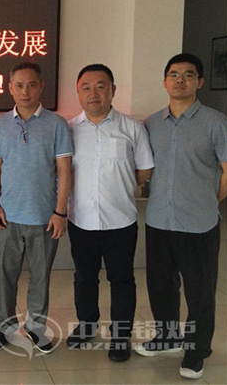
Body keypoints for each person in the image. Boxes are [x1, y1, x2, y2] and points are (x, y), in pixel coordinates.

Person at [136, 53, 227, 379]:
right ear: (165, 82)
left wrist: (208, 201)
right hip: (159, 220)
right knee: (161, 286)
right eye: (174, 74)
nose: (180, 80)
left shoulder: (216, 123)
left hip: (199, 223)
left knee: (200, 292)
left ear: (199, 82)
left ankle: (196, 350)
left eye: (188, 75)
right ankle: (167, 338)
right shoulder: (151, 124)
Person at [66, 64, 154, 362]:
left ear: (113, 90)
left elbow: (144, 170)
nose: (93, 93)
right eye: (86, 87)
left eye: (100, 86)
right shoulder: (69, 130)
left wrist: (120, 187)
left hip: (121, 220)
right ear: (78, 92)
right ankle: (86, 325)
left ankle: (120, 336)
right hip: (81, 220)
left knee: (122, 279)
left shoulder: (131, 127)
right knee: (84, 277)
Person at [0, 61, 72, 354]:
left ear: (41, 87)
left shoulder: (57, 124)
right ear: (10, 88)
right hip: (7, 216)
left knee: (40, 277)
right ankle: (5, 327)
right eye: (19, 85)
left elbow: (64, 169)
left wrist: (60, 211)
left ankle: (36, 328)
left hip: (44, 217)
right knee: (6, 275)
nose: (25, 91)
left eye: (31, 85)